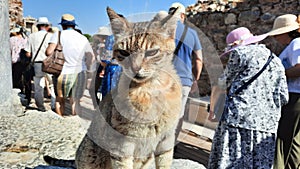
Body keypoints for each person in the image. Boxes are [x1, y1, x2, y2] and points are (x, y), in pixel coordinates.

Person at [207, 27, 289, 168]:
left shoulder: (241, 53)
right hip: (267, 124)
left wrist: (212, 109)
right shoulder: (276, 60)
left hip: (239, 118)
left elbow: (221, 84)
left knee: (232, 162)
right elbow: (283, 97)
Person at [267, 14, 300, 169]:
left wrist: (278, 73)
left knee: (283, 139)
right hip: (295, 96)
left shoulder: (296, 43)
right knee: (293, 140)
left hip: (295, 96)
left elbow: (299, 69)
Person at [46, 14, 96, 116]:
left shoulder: (58, 35)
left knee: (60, 100)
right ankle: (75, 123)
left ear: (63, 25)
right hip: (80, 73)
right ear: (74, 25)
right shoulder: (82, 38)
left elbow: (48, 52)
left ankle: (60, 122)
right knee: (76, 101)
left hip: (62, 73)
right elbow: (92, 57)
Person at [168, 2, 203, 140]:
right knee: (179, 114)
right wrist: (195, 80)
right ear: (182, 15)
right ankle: (171, 144)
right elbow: (199, 60)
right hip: (184, 81)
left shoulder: (162, 30)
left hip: (164, 79)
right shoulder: (192, 34)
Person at [24, 17, 52, 112]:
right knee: (52, 85)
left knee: (38, 86)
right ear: (47, 26)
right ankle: (54, 105)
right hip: (49, 63)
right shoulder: (51, 36)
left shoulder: (32, 36)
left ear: (38, 26)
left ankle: (41, 107)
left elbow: (28, 53)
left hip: (37, 63)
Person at [10, 27, 27, 93]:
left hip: (14, 62)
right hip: (24, 61)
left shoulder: (11, 39)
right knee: (23, 79)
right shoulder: (25, 39)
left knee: (15, 79)